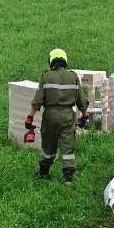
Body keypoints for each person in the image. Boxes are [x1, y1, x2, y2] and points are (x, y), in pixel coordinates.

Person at [26, 48, 88, 186]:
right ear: (64, 60)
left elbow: (38, 100)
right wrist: (84, 115)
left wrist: (29, 117)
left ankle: (43, 173)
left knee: (48, 145)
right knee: (68, 147)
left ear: (51, 60)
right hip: (68, 116)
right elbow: (81, 100)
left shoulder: (46, 76)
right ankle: (68, 178)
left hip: (50, 116)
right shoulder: (73, 76)